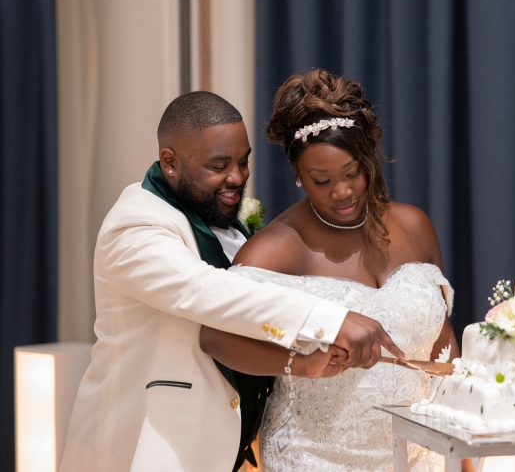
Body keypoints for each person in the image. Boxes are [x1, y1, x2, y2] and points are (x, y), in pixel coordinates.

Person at [60, 91, 404, 472]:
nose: (237, 178)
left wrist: (303, 362)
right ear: (170, 162)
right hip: (147, 450)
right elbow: (206, 291)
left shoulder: (223, 221)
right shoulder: (134, 226)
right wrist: (331, 318)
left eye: (243, 162)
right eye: (219, 166)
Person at [200, 69, 472, 471]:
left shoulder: (414, 226)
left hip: (421, 457)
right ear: (298, 176)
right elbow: (216, 336)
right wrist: (299, 364)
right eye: (321, 180)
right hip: (316, 456)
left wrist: (462, 457)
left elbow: (441, 342)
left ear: (369, 159)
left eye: (352, 173)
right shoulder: (276, 250)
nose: (342, 191)